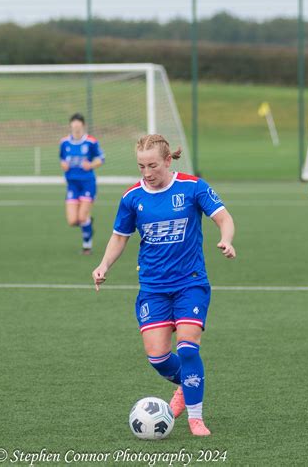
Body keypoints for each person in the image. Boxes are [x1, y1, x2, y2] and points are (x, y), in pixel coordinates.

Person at [92, 134, 236, 436]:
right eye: (141, 166)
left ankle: (195, 418)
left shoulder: (192, 187)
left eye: (153, 166)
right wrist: (104, 265)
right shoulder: (132, 197)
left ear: (168, 161)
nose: (147, 173)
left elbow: (223, 217)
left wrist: (226, 238)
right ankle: (188, 384)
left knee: (186, 348)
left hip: (190, 283)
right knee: (158, 358)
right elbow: (120, 236)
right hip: (153, 287)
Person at [59, 113, 105, 254]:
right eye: (74, 125)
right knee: (73, 220)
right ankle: (88, 223)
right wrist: (64, 165)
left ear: (83, 126)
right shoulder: (64, 142)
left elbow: (101, 159)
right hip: (72, 185)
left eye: (79, 125)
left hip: (87, 184)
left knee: (81, 217)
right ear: (71, 126)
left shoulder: (91, 142)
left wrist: (90, 165)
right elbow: (62, 159)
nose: (76, 128)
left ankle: (87, 246)